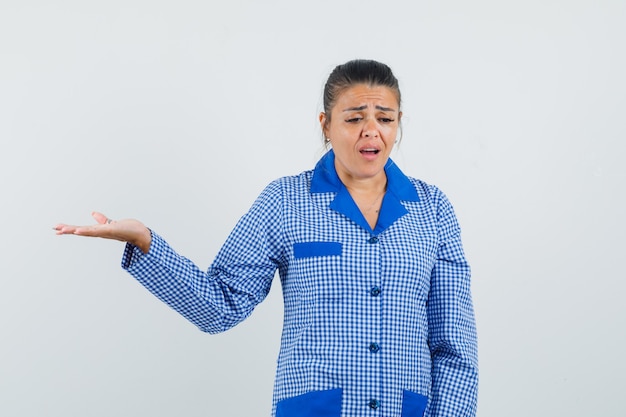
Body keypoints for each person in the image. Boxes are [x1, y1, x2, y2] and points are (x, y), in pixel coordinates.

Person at [55, 59, 478, 417]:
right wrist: (146, 242)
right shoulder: (284, 201)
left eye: (384, 118)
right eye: (354, 118)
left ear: (398, 124)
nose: (371, 131)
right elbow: (219, 306)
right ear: (326, 125)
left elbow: (454, 343)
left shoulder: (432, 208)